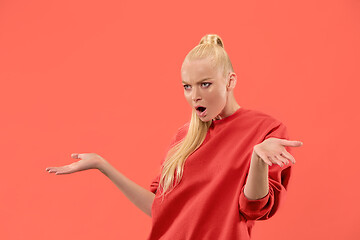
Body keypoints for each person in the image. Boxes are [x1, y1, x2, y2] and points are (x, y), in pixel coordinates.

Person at [45, 34, 303, 239]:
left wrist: (257, 160)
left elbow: (253, 209)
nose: (194, 96)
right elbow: (159, 209)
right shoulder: (184, 136)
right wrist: (102, 165)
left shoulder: (266, 131)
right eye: (187, 87)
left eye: (205, 84)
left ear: (230, 81)